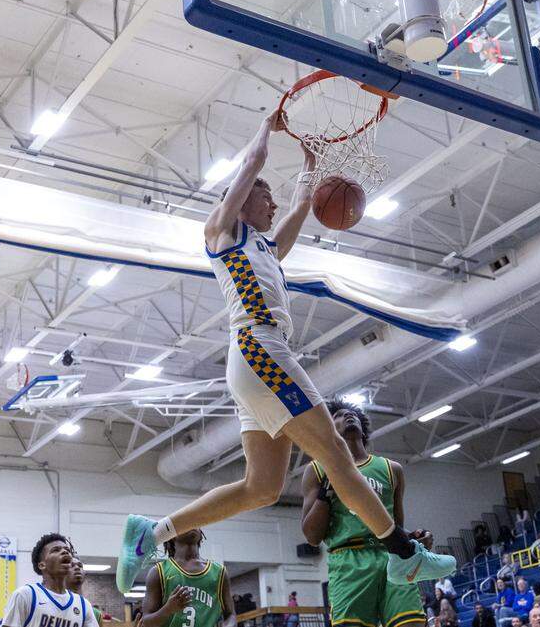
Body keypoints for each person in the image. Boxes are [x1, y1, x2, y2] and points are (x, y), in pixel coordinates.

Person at [117, 113, 454, 592]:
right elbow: (252, 162)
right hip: (261, 349)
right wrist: (265, 127)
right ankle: (403, 552)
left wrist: (310, 162)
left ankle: (151, 533)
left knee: (262, 488)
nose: (273, 204)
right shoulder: (222, 233)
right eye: (264, 195)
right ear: (242, 198)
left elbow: (300, 205)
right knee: (335, 452)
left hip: (257, 360)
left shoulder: (266, 249)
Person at [301, 402, 430, 627]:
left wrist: (416, 536)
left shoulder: (392, 469)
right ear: (328, 429)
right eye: (339, 416)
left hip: (392, 555)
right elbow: (312, 535)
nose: (349, 416)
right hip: (348, 559)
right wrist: (327, 492)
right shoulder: (318, 469)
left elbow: (396, 527)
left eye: (352, 414)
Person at [142, 529, 234, 627]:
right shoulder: (158, 572)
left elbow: (231, 614)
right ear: (172, 536)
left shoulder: (219, 572)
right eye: (186, 523)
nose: (192, 526)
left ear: (201, 535)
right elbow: (147, 622)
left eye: (196, 524)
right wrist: (168, 609)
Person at [3, 533, 96, 627]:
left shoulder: (83, 605)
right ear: (42, 565)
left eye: (67, 550)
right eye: (56, 550)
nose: (65, 552)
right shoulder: (25, 595)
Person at [67, 558, 103, 627]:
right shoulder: (53, 607)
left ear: (85, 574)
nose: (77, 567)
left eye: (80, 566)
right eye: (72, 565)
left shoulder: (96, 613)